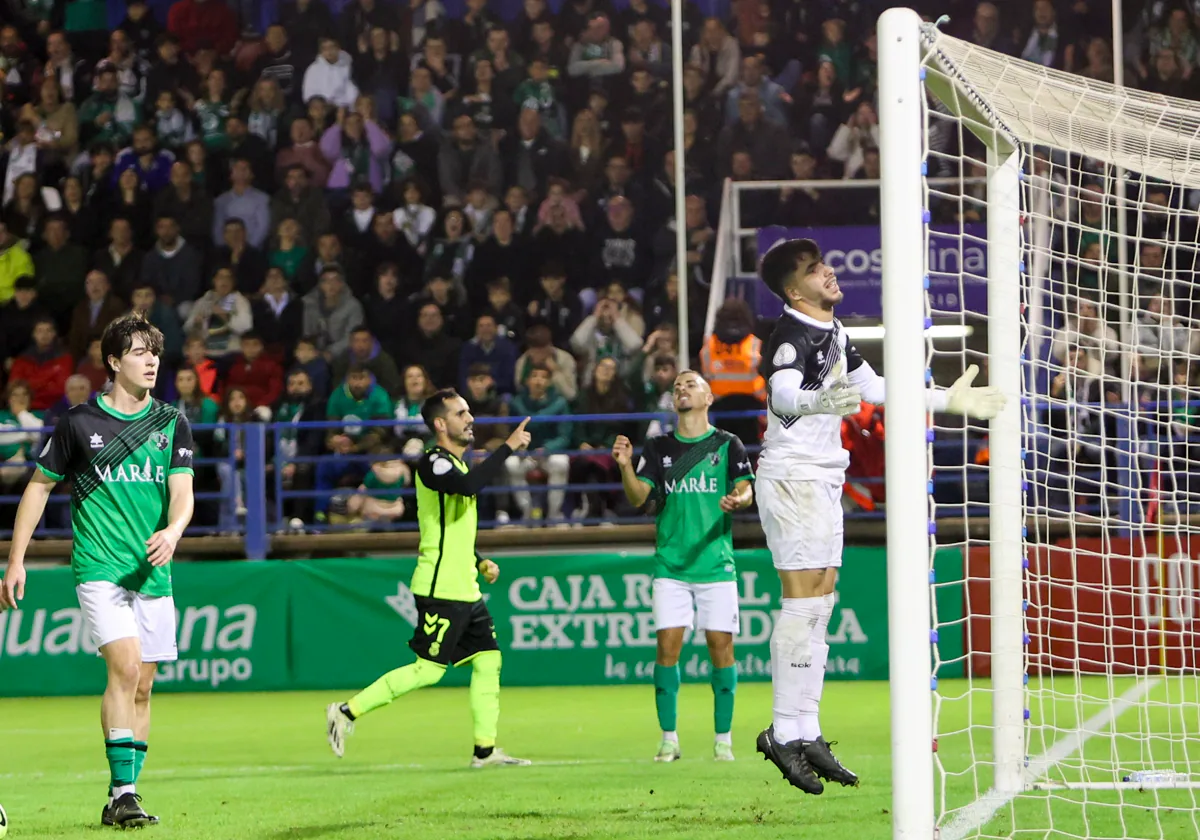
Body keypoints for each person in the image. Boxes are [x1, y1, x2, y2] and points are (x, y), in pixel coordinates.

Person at [752, 239, 1005, 793]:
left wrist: (945, 402)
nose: (830, 271)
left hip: (823, 477)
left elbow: (875, 389)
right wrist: (820, 403)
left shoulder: (836, 332)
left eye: (825, 262)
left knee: (821, 598)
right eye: (816, 270)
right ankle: (782, 732)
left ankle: (806, 728)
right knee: (802, 601)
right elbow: (784, 395)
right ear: (796, 291)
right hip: (792, 478)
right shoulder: (790, 336)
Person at [0, 313, 195, 828]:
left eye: (155, 351)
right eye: (138, 351)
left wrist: (173, 532)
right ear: (113, 360)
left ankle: (118, 797)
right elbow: (38, 487)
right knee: (125, 669)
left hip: (152, 572)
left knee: (145, 685)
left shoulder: (171, 421)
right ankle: (127, 791)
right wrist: (16, 560)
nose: (152, 359)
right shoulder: (79, 423)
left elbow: (183, 492)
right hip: (98, 567)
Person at [326, 394, 534, 767]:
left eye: (469, 411)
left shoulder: (454, 463)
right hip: (440, 589)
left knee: (488, 661)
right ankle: (345, 711)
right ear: (440, 424)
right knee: (428, 670)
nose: (470, 418)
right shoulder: (432, 463)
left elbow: (450, 528)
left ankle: (484, 751)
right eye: (461, 413)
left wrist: (479, 560)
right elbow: (468, 488)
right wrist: (508, 448)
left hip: (464, 586)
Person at [612, 368, 753, 761]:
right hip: (671, 566)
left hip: (715, 563)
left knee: (721, 648)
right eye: (677, 387)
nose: (681, 389)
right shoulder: (657, 448)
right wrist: (625, 467)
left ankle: (723, 739)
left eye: (690, 384)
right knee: (666, 647)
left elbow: (746, 490)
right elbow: (642, 498)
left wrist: (737, 501)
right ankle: (669, 738)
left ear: (708, 398)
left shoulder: (728, 445)